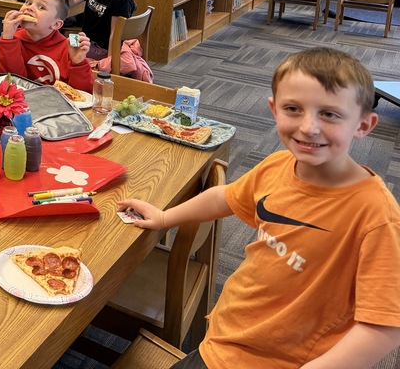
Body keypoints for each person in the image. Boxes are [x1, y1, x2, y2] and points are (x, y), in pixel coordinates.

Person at [119, 48, 400, 369]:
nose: (309, 127)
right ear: (274, 109)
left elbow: (384, 325)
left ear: (364, 124)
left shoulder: (377, 216)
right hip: (227, 337)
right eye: (293, 108)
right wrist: (165, 217)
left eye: (330, 114)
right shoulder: (278, 165)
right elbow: (226, 197)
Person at [0, 0, 92, 91]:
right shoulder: (12, 40)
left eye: (41, 7)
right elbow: (8, 82)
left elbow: (83, 94)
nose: (30, 7)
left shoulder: (69, 48)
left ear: (56, 24)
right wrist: (7, 39)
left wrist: (78, 63)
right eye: (28, 2)